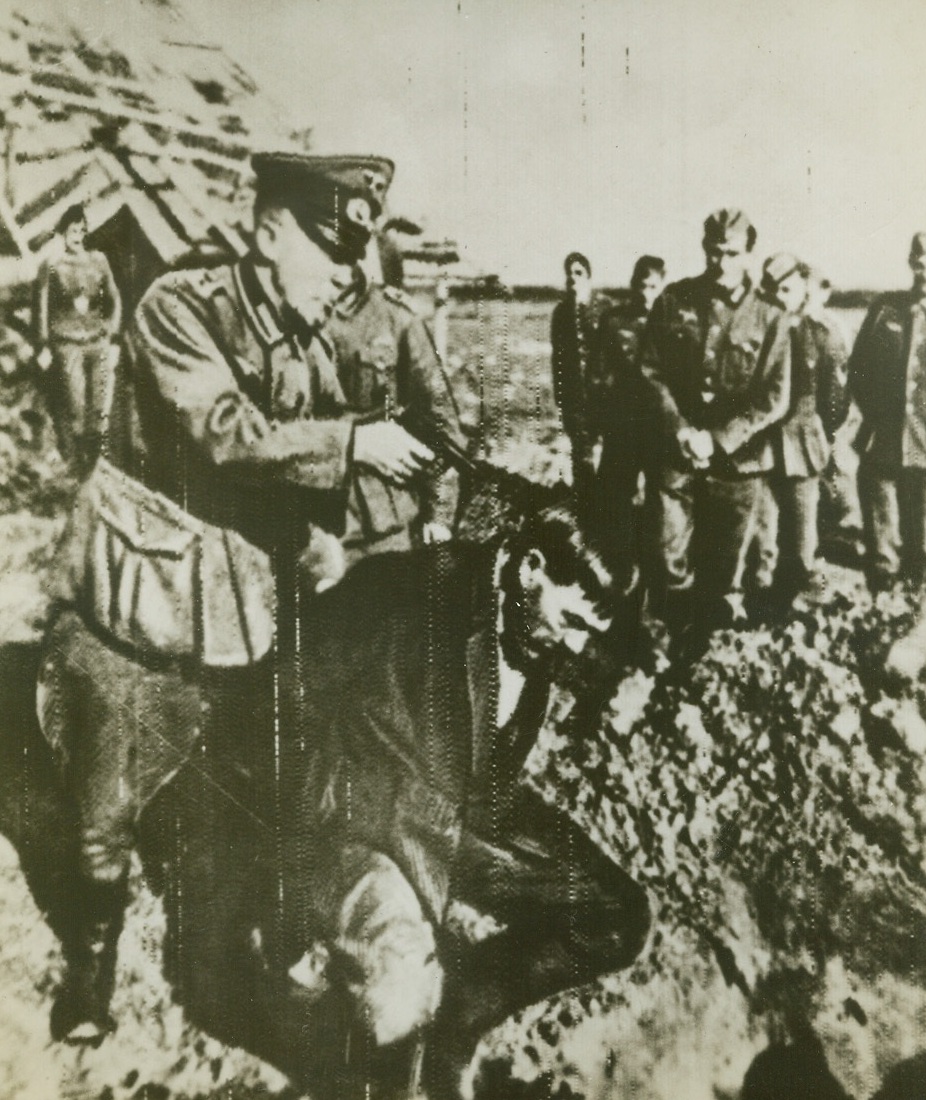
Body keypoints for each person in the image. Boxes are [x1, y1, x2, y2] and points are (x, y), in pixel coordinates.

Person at [40, 152, 436, 1045]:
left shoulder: (305, 342)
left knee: (260, 781)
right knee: (102, 814)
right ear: (268, 234)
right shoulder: (179, 305)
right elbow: (225, 434)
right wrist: (354, 446)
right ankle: (91, 966)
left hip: (240, 605)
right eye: (331, 261)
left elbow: (316, 468)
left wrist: (333, 534)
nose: (347, 283)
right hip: (135, 602)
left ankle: (266, 940)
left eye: (356, 267)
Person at [255, 505, 651, 1098]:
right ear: (531, 568)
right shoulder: (406, 590)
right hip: (365, 819)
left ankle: (454, 1025)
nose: (572, 645)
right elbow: (287, 699)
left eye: (586, 633)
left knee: (615, 917)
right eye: (570, 620)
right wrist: (291, 894)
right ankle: (389, 1060)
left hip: (467, 810)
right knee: (398, 1002)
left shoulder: (533, 623)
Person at [640, 208, 792, 644]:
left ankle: (709, 660)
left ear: (747, 254)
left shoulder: (771, 317)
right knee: (668, 559)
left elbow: (773, 397)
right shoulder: (675, 300)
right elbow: (650, 371)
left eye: (730, 254)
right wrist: (680, 429)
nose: (720, 264)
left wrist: (720, 439)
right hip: (677, 454)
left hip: (738, 464)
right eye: (712, 252)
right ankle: (668, 649)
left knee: (724, 573)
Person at [325, 178, 465, 565]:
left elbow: (441, 426)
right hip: (298, 520)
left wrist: (439, 515)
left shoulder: (396, 320)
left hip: (380, 528)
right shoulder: (281, 315)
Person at [758, 254, 848, 608]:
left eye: (787, 290)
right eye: (772, 290)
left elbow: (836, 398)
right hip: (760, 446)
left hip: (803, 446)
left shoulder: (820, 335)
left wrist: (821, 433)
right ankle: (760, 598)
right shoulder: (754, 332)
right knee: (762, 531)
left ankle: (804, 597)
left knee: (802, 532)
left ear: (801, 291)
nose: (780, 297)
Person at [850, 226, 926, 591]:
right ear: (910, 264)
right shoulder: (886, 307)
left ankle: (918, 614)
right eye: (919, 264)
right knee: (880, 541)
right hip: (882, 438)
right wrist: (876, 413)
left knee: (925, 540)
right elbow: (857, 368)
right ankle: (880, 606)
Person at [591, 255, 666, 584]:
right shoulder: (613, 320)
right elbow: (597, 373)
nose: (646, 294)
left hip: (658, 425)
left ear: (662, 286)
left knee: (659, 496)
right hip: (621, 423)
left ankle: (651, 566)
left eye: (653, 286)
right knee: (614, 494)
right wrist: (598, 422)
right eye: (641, 285)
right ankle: (615, 565)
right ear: (633, 285)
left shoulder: (672, 323)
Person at [34, 203, 122, 473]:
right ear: (63, 233)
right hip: (67, 342)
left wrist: (113, 335)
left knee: (98, 409)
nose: (77, 237)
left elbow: (115, 299)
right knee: (76, 406)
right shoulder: (52, 265)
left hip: (97, 341)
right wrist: (43, 344)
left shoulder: (99, 261)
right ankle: (77, 466)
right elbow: (42, 305)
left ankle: (93, 466)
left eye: (81, 231)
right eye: (71, 231)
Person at [550, 252, 611, 515]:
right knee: (581, 456)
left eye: (578, 273)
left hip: (604, 396)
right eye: (569, 273)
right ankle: (587, 513)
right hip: (575, 398)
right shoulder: (561, 313)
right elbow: (558, 358)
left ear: (588, 276)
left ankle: (611, 512)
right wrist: (561, 397)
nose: (572, 279)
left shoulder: (605, 308)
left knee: (609, 456)